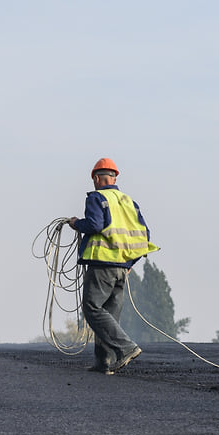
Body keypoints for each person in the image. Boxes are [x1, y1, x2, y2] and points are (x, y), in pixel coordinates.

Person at [67, 158, 159, 375]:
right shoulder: (128, 202)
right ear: (114, 177)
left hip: (102, 265)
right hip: (121, 268)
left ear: (97, 179)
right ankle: (104, 363)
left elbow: (95, 224)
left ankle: (126, 348)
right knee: (108, 314)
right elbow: (145, 236)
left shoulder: (97, 197)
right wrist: (129, 263)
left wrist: (76, 224)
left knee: (92, 308)